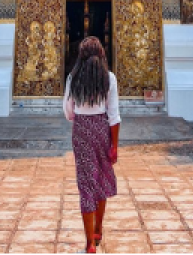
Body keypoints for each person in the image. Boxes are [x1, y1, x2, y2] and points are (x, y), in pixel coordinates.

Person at [63, 36, 119, 253]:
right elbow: (114, 116)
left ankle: (89, 243)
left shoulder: (73, 78)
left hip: (81, 130)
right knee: (103, 179)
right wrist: (114, 146)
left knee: (86, 183)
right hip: (102, 129)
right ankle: (98, 229)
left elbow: (69, 112)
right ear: (102, 54)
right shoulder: (109, 78)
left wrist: (80, 116)